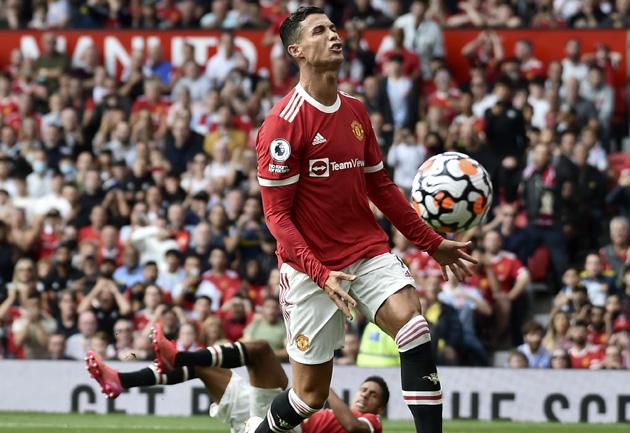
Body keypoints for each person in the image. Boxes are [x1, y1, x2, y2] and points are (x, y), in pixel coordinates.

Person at [244, 7, 473, 433]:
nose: (334, 35)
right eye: (319, 31)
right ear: (297, 51)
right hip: (310, 268)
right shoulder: (281, 125)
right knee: (308, 397)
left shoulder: (355, 110)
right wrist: (320, 272)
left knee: (414, 327)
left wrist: (431, 242)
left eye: (333, 28)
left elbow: (380, 185)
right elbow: (276, 217)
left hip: (367, 251)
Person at [85, 338, 388, 433]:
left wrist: (322, 385)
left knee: (260, 350)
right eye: (363, 390)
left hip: (285, 426)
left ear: (381, 408)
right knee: (203, 367)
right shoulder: (331, 412)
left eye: (372, 395)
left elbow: (353, 427)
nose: (364, 396)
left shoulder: (372, 423)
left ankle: (178, 356)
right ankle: (121, 380)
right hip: (267, 419)